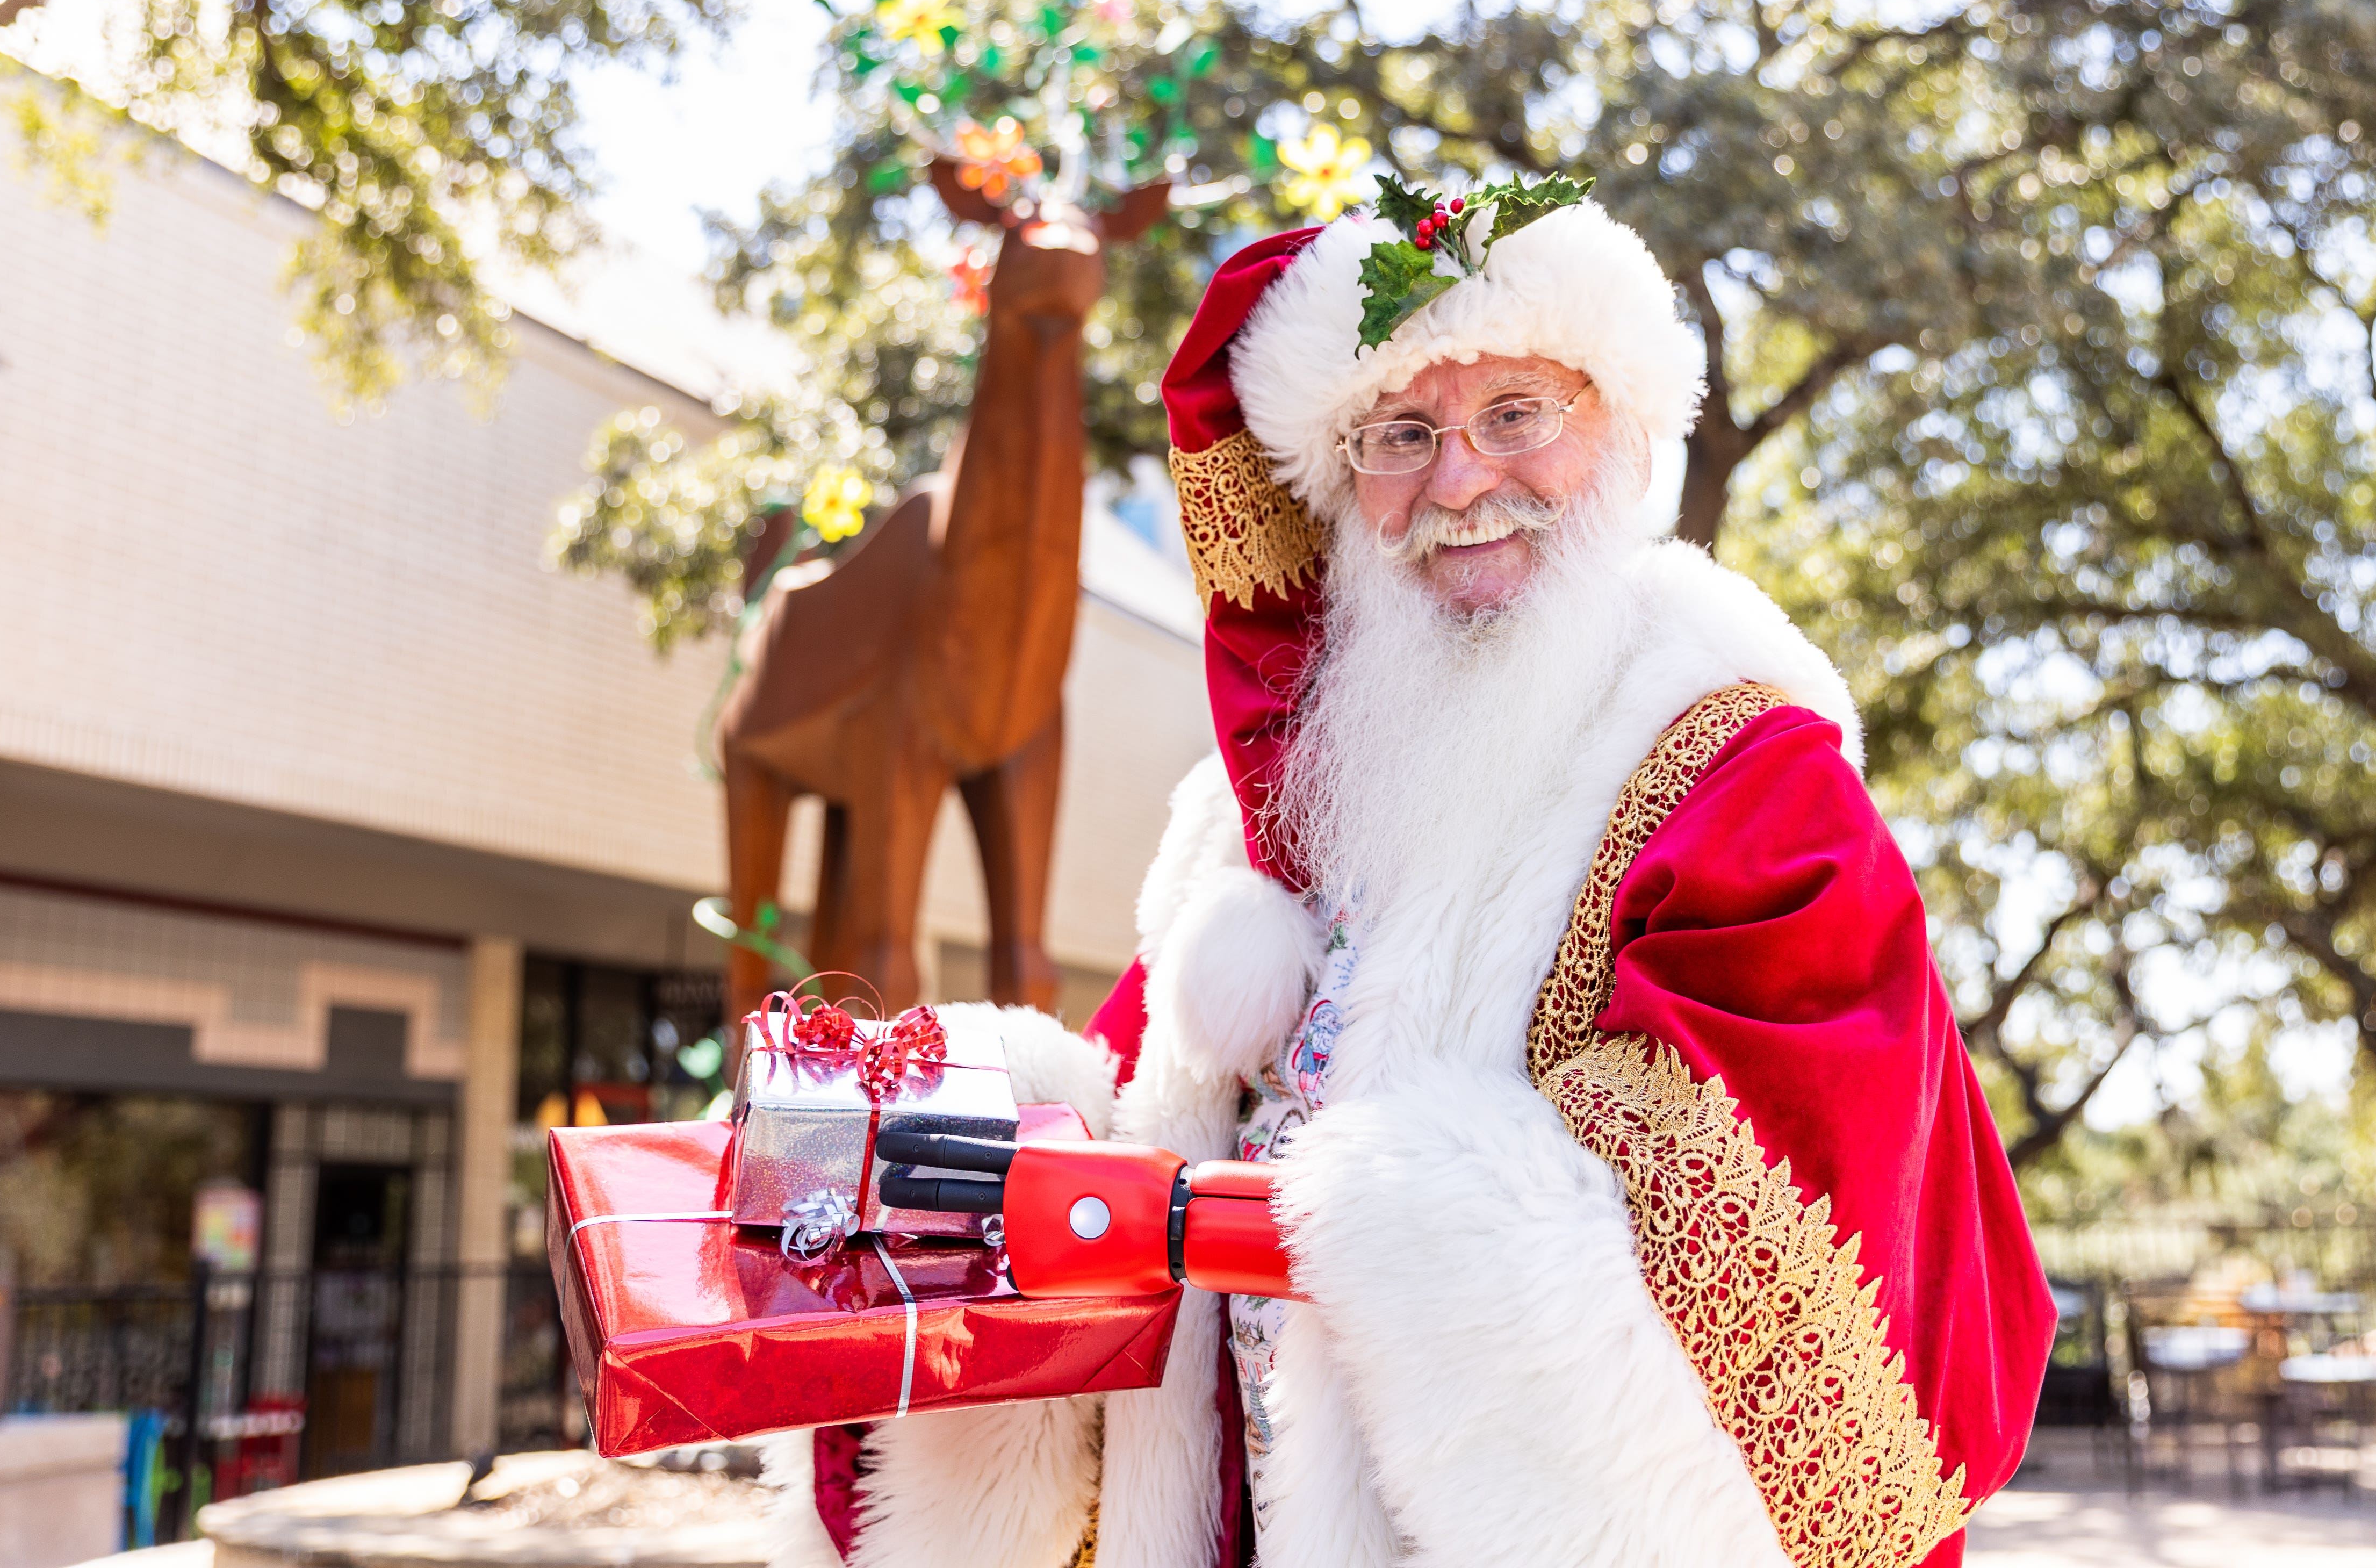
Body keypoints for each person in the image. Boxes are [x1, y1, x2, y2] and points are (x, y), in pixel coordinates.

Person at [765, 195, 2055, 1568]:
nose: (1455, 482)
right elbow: (1122, 1130)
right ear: (1339, 488)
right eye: (1400, 436)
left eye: (1515, 414)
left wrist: (1229, 1221)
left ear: (1616, 435)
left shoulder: (1747, 783)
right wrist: (937, 1134)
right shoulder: (1255, 817)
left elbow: (1746, 1267)